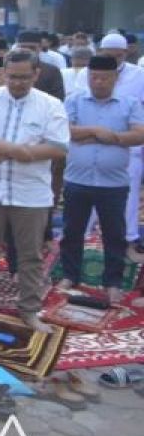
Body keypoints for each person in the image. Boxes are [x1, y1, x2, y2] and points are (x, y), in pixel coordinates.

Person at [0, 50, 69, 333]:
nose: (17, 83)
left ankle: (30, 309)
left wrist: (6, 154)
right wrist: (18, 150)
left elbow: (58, 147)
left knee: (29, 254)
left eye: (24, 77)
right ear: (3, 74)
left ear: (36, 75)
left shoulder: (50, 105)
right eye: (12, 77)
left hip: (30, 193)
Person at [59, 55, 144, 301]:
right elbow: (64, 130)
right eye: (93, 77)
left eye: (104, 77)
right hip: (77, 179)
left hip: (113, 183)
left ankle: (113, 282)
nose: (98, 82)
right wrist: (98, 132)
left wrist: (114, 138)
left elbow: (139, 135)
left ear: (115, 78)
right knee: (72, 230)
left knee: (114, 234)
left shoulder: (129, 104)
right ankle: (70, 275)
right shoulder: (74, 100)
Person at [71, 33, 144, 264]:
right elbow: (67, 125)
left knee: (124, 208)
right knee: (76, 220)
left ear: (126, 53)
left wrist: (108, 137)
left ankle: (129, 243)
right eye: (108, 53)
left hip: (124, 154)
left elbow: (139, 129)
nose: (99, 81)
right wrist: (96, 131)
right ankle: (79, 252)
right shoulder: (84, 75)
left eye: (117, 54)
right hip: (81, 161)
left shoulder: (139, 75)